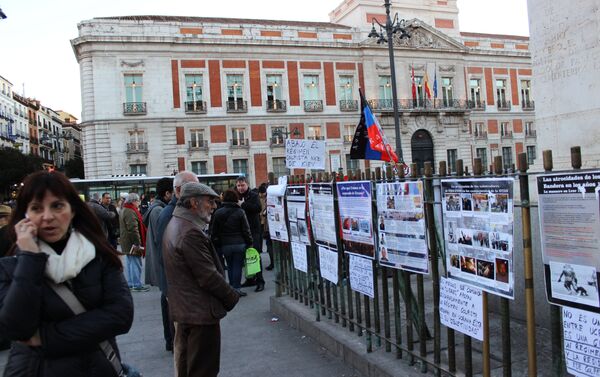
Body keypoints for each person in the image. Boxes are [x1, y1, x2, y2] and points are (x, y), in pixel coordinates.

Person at [0, 171, 133, 376]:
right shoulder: (12, 264)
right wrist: (30, 259)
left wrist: (45, 338)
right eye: (36, 208)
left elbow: (121, 315)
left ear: (72, 211)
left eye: (57, 206)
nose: (47, 216)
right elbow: (16, 329)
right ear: (25, 216)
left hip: (95, 368)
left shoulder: (99, 256)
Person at [163, 182, 240, 377]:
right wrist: (231, 296)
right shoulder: (189, 232)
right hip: (199, 314)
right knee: (203, 370)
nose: (214, 206)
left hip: (187, 310)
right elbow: (207, 275)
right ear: (194, 203)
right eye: (209, 201)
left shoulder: (177, 224)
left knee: (190, 368)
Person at [154, 171, 199, 350]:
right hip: (175, 280)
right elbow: (165, 250)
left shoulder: (178, 211)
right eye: (193, 189)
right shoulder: (170, 214)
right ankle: (174, 343)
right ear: (179, 191)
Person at [143, 177, 174, 351]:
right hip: (162, 263)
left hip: (161, 262)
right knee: (166, 300)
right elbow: (161, 238)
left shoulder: (157, 208)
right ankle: (169, 339)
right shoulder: (158, 211)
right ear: (167, 193)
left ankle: (169, 338)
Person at [210, 189, 253, 296]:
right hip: (240, 243)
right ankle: (237, 288)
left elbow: (214, 230)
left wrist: (216, 243)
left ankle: (231, 288)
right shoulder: (240, 212)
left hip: (225, 244)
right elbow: (246, 230)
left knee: (229, 265)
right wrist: (249, 242)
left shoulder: (218, 212)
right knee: (237, 266)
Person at [236, 176, 265, 292]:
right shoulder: (236, 195)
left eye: (242, 185)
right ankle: (250, 279)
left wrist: (243, 205)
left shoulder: (253, 195)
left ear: (247, 184)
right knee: (245, 257)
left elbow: (258, 208)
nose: (240, 188)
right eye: (238, 185)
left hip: (254, 230)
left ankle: (260, 281)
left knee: (255, 255)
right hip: (241, 231)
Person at [119, 193, 149, 292]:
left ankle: (132, 283)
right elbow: (133, 229)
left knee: (131, 263)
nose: (139, 203)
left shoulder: (125, 209)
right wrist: (138, 243)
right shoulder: (130, 211)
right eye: (138, 201)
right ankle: (136, 284)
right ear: (134, 201)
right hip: (132, 242)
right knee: (136, 263)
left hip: (127, 242)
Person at [258, 183, 274, 271]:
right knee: (269, 244)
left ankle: (273, 263)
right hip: (267, 225)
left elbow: (264, 212)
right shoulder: (268, 198)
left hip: (267, 225)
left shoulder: (267, 199)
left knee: (270, 244)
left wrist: (261, 214)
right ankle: (273, 262)